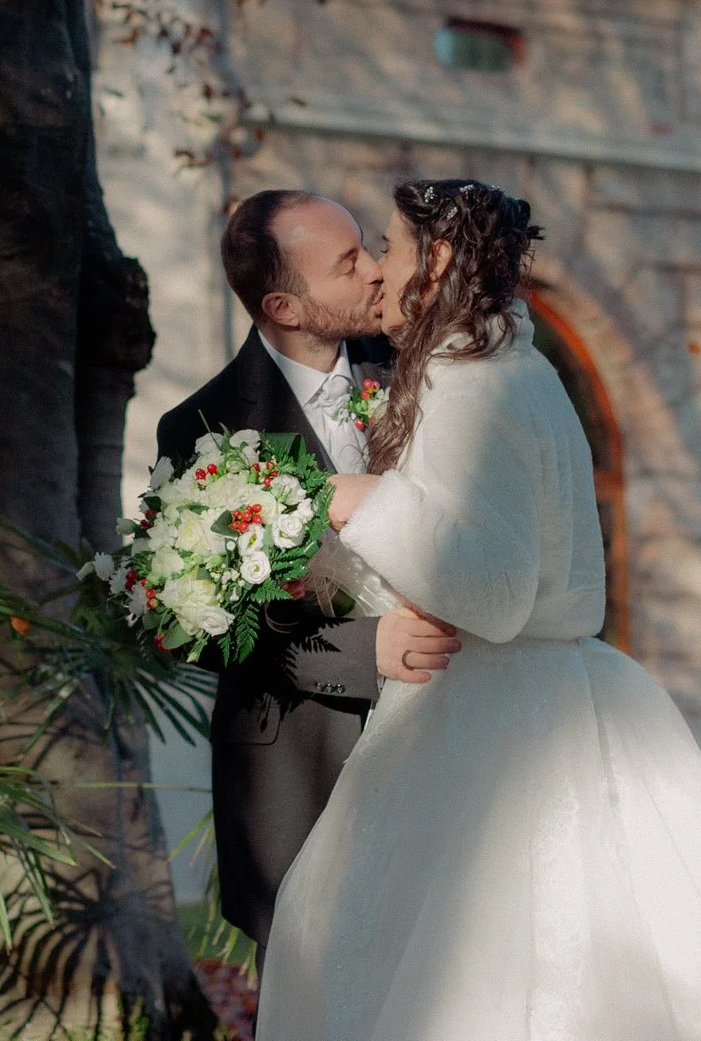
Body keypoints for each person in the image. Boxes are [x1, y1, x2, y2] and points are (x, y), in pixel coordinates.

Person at [257, 179, 701, 1041]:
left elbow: (494, 593)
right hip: (547, 700)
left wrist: (359, 503)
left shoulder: (474, 384)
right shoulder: (510, 367)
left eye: (390, 246)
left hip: (496, 727)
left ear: (443, 260)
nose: (380, 271)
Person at [154, 189, 466, 958]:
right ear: (284, 305)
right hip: (292, 768)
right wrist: (366, 652)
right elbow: (201, 628)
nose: (374, 272)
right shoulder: (201, 427)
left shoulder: (424, 378)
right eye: (347, 262)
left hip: (447, 729)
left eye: (366, 247)